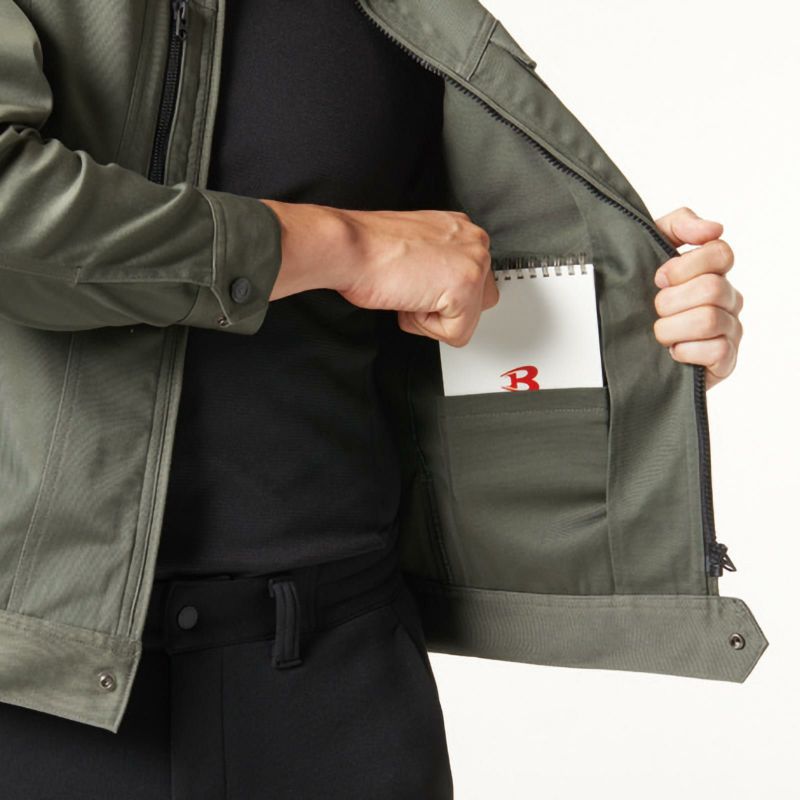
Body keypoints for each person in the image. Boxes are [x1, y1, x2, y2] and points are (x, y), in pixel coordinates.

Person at [0, 0, 744, 798]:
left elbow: (439, 277)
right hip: (39, 685)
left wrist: (630, 321)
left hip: (344, 672)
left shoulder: (397, 14)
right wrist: (348, 245)